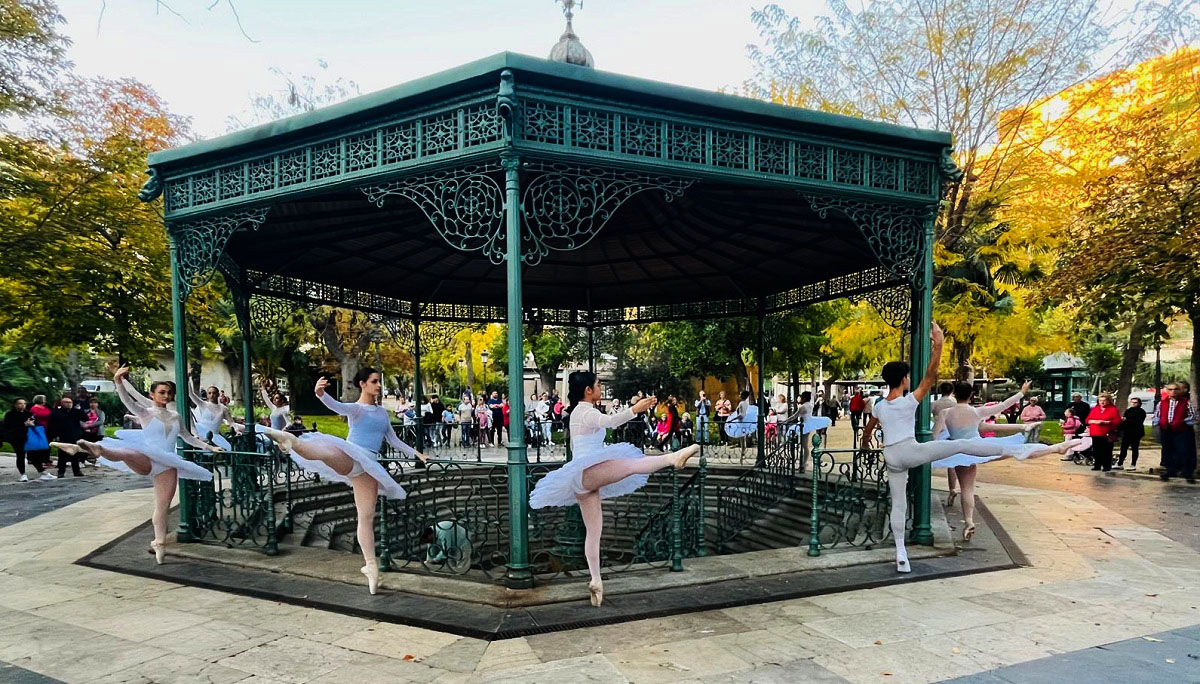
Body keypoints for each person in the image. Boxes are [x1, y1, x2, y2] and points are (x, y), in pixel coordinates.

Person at [860, 324, 1079, 572]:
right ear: (903, 379)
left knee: (898, 503)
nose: (911, 380)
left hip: (892, 456)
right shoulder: (908, 401)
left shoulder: (879, 405)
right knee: (963, 445)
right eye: (908, 377)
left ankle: (901, 555)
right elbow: (930, 377)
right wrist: (939, 344)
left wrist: (867, 442)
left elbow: (871, 425)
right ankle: (1026, 450)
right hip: (910, 451)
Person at [529, 371, 699, 606]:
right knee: (631, 465)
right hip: (587, 472)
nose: (600, 387)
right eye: (598, 385)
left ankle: (596, 581)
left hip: (583, 476)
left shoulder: (580, 412)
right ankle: (673, 458)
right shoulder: (585, 411)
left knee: (594, 531)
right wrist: (635, 409)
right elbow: (609, 422)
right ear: (588, 390)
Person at [258, 368, 427, 594]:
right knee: (326, 453)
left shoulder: (383, 413)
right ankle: (292, 442)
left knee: (366, 518)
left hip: (368, 468)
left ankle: (371, 566)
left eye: (379, 381)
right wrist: (320, 394)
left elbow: (394, 439)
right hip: (353, 455)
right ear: (362, 384)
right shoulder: (356, 409)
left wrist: (417, 454)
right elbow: (337, 406)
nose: (378, 385)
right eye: (374, 381)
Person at [56, 366, 217, 564]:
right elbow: (127, 399)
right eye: (161, 393)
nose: (166, 396)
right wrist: (118, 381)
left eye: (169, 393)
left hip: (167, 464)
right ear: (153, 394)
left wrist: (208, 447)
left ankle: (159, 542)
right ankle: (98, 449)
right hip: (148, 457)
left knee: (162, 506)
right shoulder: (145, 413)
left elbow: (187, 437)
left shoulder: (176, 416)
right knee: (127, 453)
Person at [932, 380, 1041, 541]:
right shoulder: (977, 412)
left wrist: (936, 449)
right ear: (971, 395)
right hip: (976, 448)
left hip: (957, 449)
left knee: (964, 488)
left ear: (955, 394)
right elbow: (1003, 406)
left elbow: (935, 434)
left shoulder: (945, 413)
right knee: (969, 488)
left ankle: (968, 521)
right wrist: (1021, 393)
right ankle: (968, 520)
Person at [1154, 381, 1196, 482]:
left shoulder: (1186, 402)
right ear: (1167, 391)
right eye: (1170, 389)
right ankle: (1170, 470)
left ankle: (1187, 472)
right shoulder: (1162, 402)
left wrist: (1182, 422)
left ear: (1179, 390)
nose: (1173, 392)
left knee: (1183, 451)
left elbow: (1193, 416)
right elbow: (1157, 415)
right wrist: (1159, 422)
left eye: (1175, 389)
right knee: (1168, 450)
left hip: (1181, 430)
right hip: (1166, 430)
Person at [930, 382, 959, 506]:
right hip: (951, 432)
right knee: (952, 464)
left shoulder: (935, 404)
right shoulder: (955, 404)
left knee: (929, 461)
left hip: (938, 431)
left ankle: (925, 486)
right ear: (951, 390)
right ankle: (952, 488)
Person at [189, 385, 241, 451]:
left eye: (214, 393)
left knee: (227, 450)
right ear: (207, 395)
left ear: (218, 394)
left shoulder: (223, 409)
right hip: (200, 431)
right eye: (209, 393)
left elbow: (231, 423)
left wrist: (237, 430)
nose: (212, 395)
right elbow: (191, 394)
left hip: (215, 436)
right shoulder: (203, 404)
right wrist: (188, 380)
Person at [4, 398, 44, 482]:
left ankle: (42, 472)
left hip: (29, 436)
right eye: (20, 403)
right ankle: (23, 474)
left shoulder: (28, 413)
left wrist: (32, 424)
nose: (22, 405)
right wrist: (24, 424)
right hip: (17, 437)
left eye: (24, 403)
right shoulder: (10, 414)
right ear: (15, 404)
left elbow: (35, 423)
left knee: (34, 455)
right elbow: (9, 426)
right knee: (20, 455)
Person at [48, 397, 87, 478]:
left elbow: (85, 418)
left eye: (70, 402)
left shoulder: (75, 412)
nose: (69, 404)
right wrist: (55, 435)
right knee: (62, 454)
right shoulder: (56, 413)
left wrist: (79, 410)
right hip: (62, 436)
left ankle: (77, 471)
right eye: (66, 402)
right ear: (61, 403)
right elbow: (51, 425)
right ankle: (61, 471)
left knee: (75, 454)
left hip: (75, 435)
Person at [1085, 393, 1121, 472]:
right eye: (1100, 400)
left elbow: (1117, 421)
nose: (1102, 402)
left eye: (1104, 400)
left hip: (1106, 433)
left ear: (1108, 401)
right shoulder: (1095, 409)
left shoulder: (1113, 409)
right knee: (1096, 450)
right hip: (1095, 432)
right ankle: (1097, 465)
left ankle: (1106, 466)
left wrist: (1106, 422)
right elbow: (1087, 420)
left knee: (1106, 450)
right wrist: (1093, 421)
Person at [1117, 397, 1147, 471]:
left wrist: (1126, 420)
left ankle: (1133, 464)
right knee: (1123, 448)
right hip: (1127, 432)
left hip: (1136, 432)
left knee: (1134, 448)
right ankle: (1120, 463)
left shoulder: (1141, 412)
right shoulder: (1128, 410)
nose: (1133, 404)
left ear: (1139, 403)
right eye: (1132, 402)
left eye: (1135, 402)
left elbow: (1138, 422)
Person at [28, 394, 53, 479]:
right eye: (44, 399)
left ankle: (45, 460)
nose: (45, 401)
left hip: (47, 428)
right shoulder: (34, 408)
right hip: (38, 428)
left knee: (47, 445)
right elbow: (33, 418)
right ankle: (39, 462)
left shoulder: (46, 407)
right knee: (40, 446)